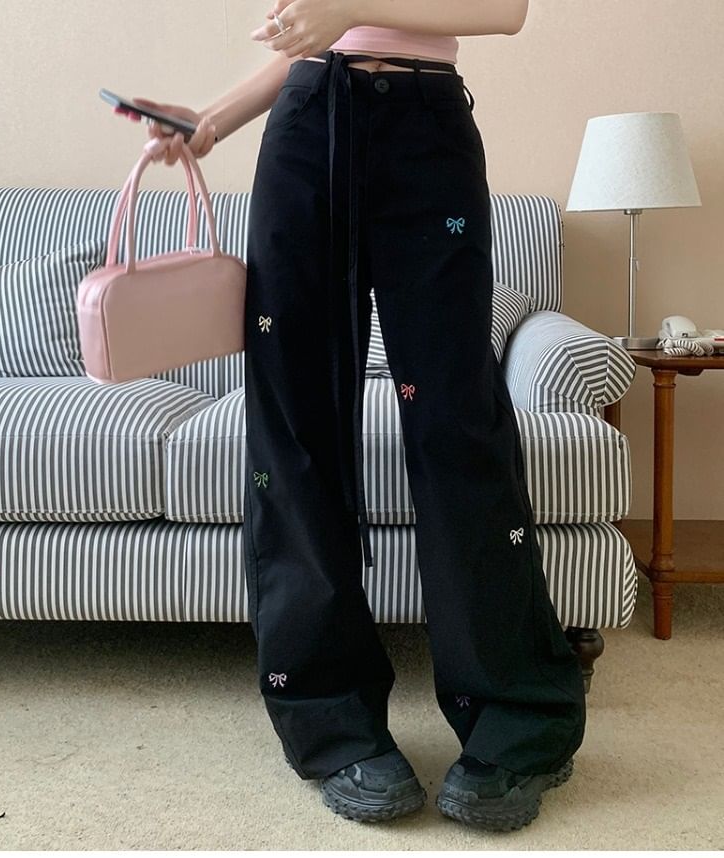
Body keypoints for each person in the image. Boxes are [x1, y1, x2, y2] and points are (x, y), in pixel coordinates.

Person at [133, 0, 586, 833]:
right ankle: (332, 722)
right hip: (309, 126)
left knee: (457, 424)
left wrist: (347, 5)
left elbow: (505, 8)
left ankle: (518, 718)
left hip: (427, 130)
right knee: (295, 425)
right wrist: (212, 120)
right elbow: (311, 42)